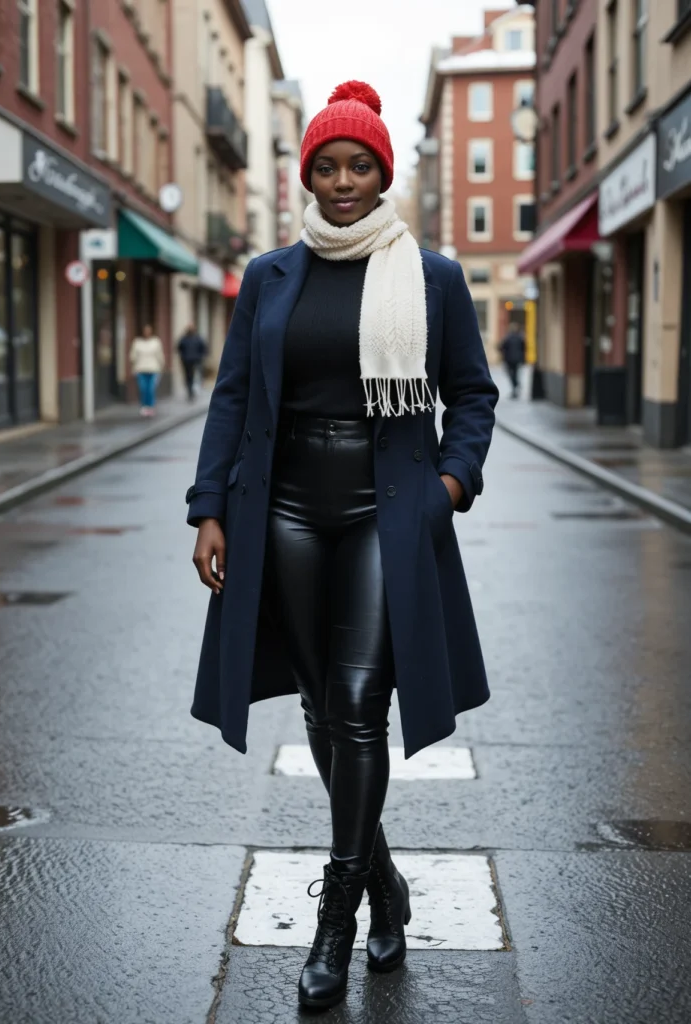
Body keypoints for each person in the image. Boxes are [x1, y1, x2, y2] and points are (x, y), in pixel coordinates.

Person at [185, 81, 498, 1011]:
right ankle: (387, 881)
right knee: (324, 708)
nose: (344, 180)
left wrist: (449, 486)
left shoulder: (432, 276)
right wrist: (209, 508)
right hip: (281, 508)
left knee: (362, 699)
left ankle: (339, 914)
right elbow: (234, 396)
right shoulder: (271, 275)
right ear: (308, 176)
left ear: (382, 172)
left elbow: (472, 396)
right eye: (328, 166)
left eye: (360, 165)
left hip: (384, 508)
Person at [129, 324, 165, 416]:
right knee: (143, 388)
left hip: (153, 369)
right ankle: (144, 406)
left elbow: (160, 355)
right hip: (141, 369)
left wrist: (162, 365)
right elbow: (133, 356)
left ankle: (151, 406)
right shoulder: (137, 342)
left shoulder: (156, 342)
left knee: (151, 388)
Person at [177, 324, 208, 401]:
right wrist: (183, 357)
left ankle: (194, 390)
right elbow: (179, 348)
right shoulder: (184, 339)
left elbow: (204, 348)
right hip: (187, 361)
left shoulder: (198, 338)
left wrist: (200, 357)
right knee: (188, 377)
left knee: (195, 376)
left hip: (196, 361)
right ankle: (190, 391)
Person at [498, 321, 526, 399]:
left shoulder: (508, 338)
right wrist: (523, 359)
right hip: (517, 359)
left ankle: (515, 386)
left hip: (509, 359)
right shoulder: (520, 337)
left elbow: (501, 347)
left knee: (511, 374)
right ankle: (516, 386)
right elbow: (524, 349)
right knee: (515, 373)